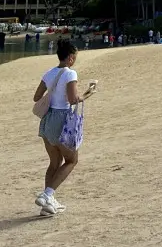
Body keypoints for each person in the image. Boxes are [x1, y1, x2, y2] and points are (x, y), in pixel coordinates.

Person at [32, 40, 97, 217]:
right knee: (71, 160)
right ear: (70, 57)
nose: (74, 60)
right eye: (74, 57)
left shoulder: (49, 73)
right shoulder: (70, 74)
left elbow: (37, 97)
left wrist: (53, 93)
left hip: (47, 119)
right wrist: (88, 93)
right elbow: (72, 100)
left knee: (54, 162)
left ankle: (48, 205)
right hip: (61, 119)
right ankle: (47, 195)